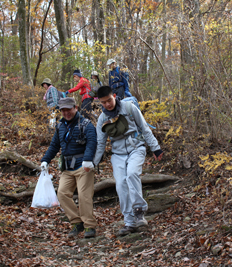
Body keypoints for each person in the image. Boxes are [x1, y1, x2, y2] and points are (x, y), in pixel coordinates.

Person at [93, 86, 164, 236]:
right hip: (117, 154)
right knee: (120, 185)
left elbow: (144, 128)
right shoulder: (102, 119)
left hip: (136, 148)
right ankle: (129, 221)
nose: (107, 104)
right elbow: (100, 143)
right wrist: (94, 162)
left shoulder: (129, 108)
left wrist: (156, 148)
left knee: (132, 174)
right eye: (103, 102)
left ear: (114, 96)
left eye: (109, 100)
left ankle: (139, 213)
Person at [40, 97, 97, 239]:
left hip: (84, 167)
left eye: (69, 110)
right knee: (62, 194)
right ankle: (76, 222)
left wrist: (88, 159)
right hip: (67, 168)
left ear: (75, 108)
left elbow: (92, 142)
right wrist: (45, 160)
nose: (66, 113)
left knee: (84, 196)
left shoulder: (86, 124)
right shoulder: (60, 126)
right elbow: (54, 145)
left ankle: (89, 225)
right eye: (63, 110)